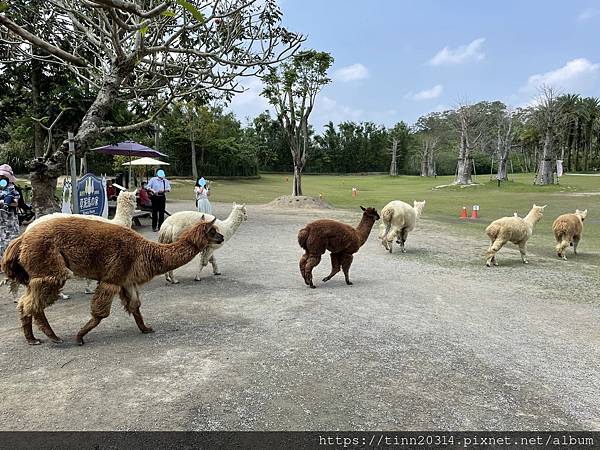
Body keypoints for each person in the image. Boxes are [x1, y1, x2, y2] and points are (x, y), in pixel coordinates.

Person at [0, 164, 21, 266]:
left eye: (4, 177)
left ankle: (11, 263)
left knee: (10, 241)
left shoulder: (12, 188)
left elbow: (16, 201)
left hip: (9, 220)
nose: (2, 178)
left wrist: (10, 201)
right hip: (1, 220)